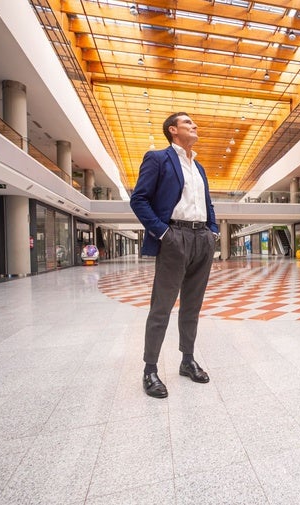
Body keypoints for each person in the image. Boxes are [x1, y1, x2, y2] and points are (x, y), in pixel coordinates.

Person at [130, 112, 219, 398]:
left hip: (202, 238)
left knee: (192, 306)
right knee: (162, 307)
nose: (195, 125)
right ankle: (150, 369)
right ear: (173, 130)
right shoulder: (158, 158)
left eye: (195, 122)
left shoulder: (199, 167)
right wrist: (163, 233)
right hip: (174, 237)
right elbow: (139, 199)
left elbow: (207, 203)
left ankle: (187, 360)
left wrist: (213, 231)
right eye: (188, 123)